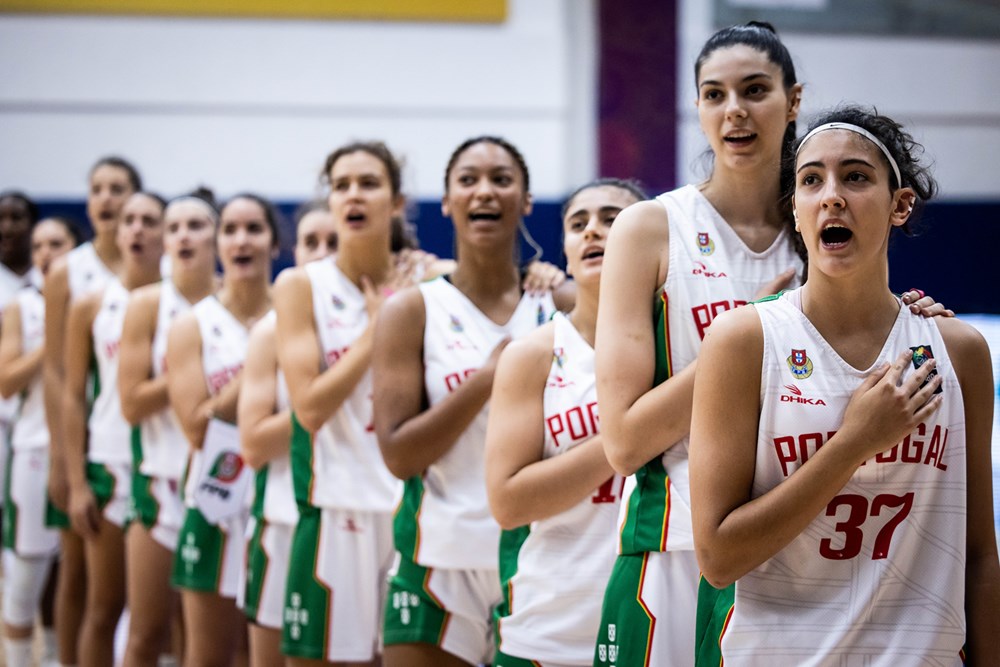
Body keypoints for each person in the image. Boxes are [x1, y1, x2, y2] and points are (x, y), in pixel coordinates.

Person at [591, 23, 946, 667]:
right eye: (713, 94)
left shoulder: (829, 221)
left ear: (793, 99)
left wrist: (915, 320)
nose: (735, 111)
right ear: (697, 109)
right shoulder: (650, 228)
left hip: (802, 547)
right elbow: (621, 443)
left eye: (755, 90)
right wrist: (751, 339)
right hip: (668, 548)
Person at [689, 105, 1000, 664]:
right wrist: (853, 443)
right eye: (811, 180)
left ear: (899, 205)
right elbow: (717, 557)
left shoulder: (959, 351)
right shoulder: (744, 340)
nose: (832, 194)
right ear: (796, 210)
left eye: (855, 177)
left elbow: (979, 556)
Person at [374, 136, 574, 667]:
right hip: (438, 559)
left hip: (543, 557)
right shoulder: (412, 310)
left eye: (501, 179)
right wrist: (489, 378)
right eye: (468, 179)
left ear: (527, 200)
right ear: (446, 201)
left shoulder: (562, 304)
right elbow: (397, 456)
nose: (484, 191)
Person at [274, 141, 454, 667]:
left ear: (396, 202)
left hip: (416, 512)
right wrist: (375, 329)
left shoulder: (434, 281)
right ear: (329, 201)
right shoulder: (300, 286)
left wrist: (540, 276)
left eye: (369, 183)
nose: (354, 195)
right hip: (336, 508)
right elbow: (308, 409)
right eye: (342, 185)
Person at [484, 178, 645, 667]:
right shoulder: (533, 354)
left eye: (612, 220)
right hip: (548, 627)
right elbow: (508, 502)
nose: (593, 230)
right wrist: (632, 434)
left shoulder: (685, 350)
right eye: (579, 224)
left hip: (653, 618)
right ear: (567, 255)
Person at [167, 193, 278, 667]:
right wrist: (259, 359)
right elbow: (195, 427)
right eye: (230, 230)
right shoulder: (192, 325)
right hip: (215, 499)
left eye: (254, 229)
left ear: (275, 244)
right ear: (218, 243)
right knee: (208, 655)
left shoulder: (297, 316)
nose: (241, 240)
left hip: (280, 504)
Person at [43, 155, 141, 667]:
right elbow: (58, 373)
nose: (106, 197)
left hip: (144, 448)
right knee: (78, 576)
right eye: (97, 188)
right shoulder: (69, 271)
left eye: (117, 188)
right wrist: (64, 460)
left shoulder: (162, 268)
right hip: (88, 442)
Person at [63, 191, 165, 666]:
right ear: (116, 230)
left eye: (150, 220)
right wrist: (76, 479)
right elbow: (70, 393)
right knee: (104, 606)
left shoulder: (190, 298)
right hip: (109, 461)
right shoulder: (90, 305)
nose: (138, 229)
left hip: (169, 464)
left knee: (170, 618)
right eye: (130, 220)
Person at [118, 192, 220, 666]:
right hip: (160, 482)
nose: (183, 235)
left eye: (196, 225)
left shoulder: (233, 301)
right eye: (174, 226)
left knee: (211, 639)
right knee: (147, 632)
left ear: (215, 237)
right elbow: (131, 402)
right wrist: (185, 371)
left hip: (223, 485)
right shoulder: (146, 305)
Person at [238, 199, 336, 667]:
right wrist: (327, 396)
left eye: (333, 243)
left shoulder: (389, 317)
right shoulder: (269, 332)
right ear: (292, 252)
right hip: (282, 521)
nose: (321, 253)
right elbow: (253, 444)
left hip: (359, 517)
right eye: (311, 242)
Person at [0, 216, 80, 667]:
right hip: (33, 449)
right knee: (28, 572)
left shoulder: (94, 300)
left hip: (85, 452)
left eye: (57, 243)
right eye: (39, 246)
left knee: (72, 579)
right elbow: (6, 381)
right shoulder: (22, 306)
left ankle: (53, 656)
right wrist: (53, 340)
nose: (47, 253)